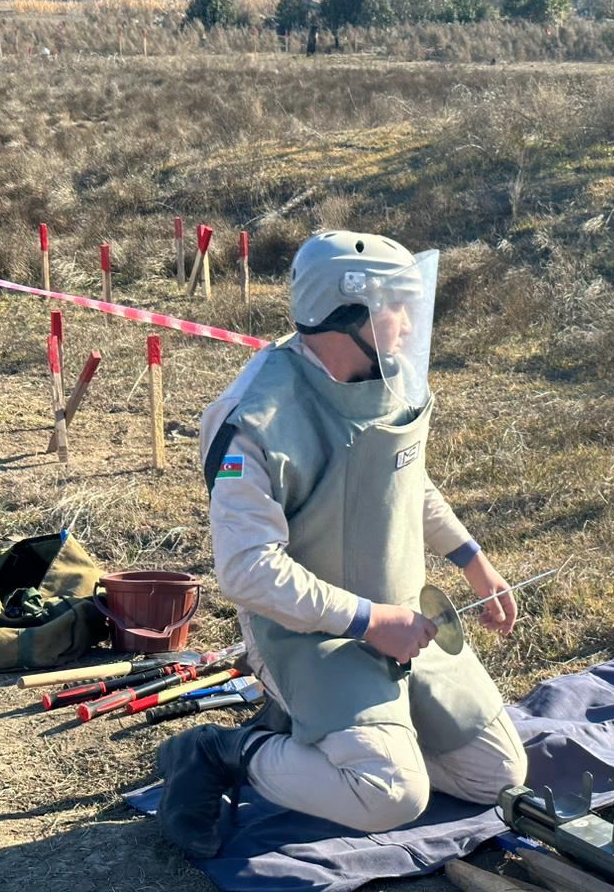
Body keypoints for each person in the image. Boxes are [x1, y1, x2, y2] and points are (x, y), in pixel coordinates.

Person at [158, 230, 528, 858]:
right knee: (388, 796)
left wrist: (473, 561)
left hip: (403, 619)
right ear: (342, 314)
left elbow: (406, 480)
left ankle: (348, 739)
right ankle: (225, 750)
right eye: (395, 307)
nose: (410, 325)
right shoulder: (253, 420)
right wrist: (369, 621)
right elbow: (247, 571)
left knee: (496, 777)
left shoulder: (385, 377)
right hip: (309, 635)